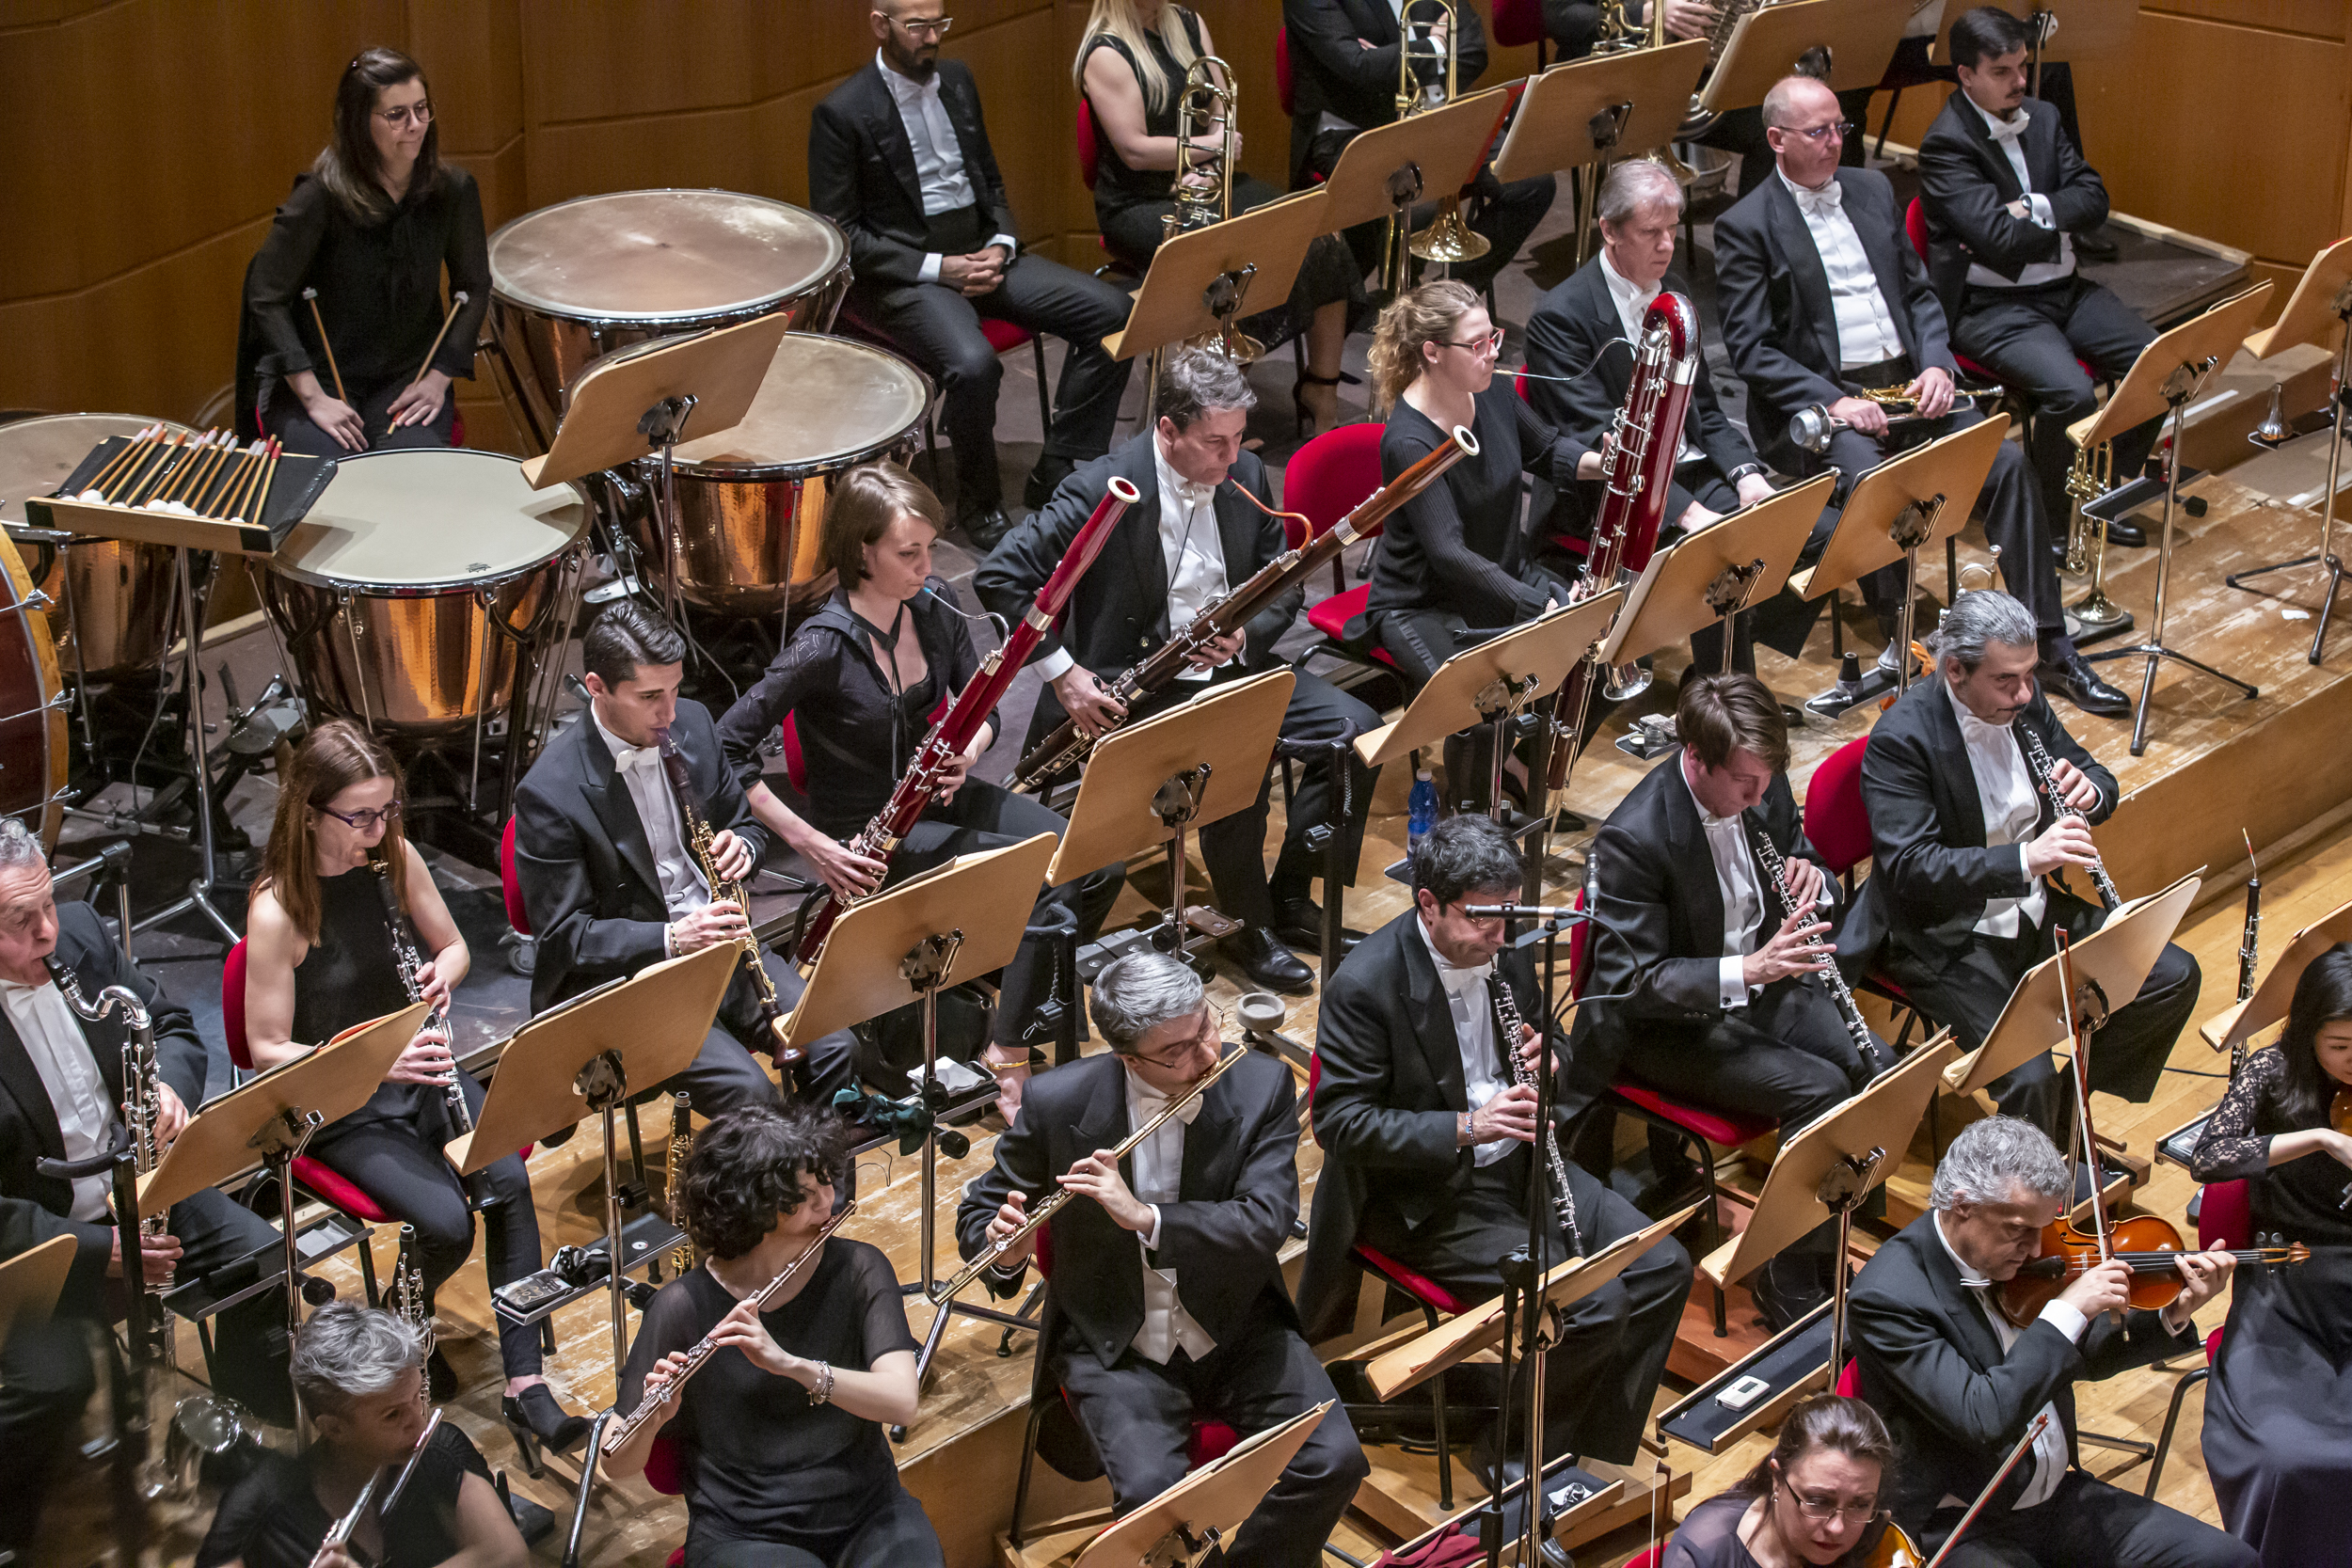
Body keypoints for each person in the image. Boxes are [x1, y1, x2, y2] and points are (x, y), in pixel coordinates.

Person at [715, 463, 1123, 1117]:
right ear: (860, 552)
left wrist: (973, 748)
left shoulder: (933, 609)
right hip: (867, 838)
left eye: (931, 548)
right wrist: (811, 843)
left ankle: (1003, 978)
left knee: (1079, 853)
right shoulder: (820, 647)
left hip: (937, 798)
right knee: (1038, 888)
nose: (926, 565)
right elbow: (722, 751)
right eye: (909, 552)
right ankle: (1007, 1053)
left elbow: (984, 708)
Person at [1713, 74, 2128, 718]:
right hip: (1830, 405)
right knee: (1880, 484)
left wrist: (1937, 366)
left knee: (2009, 467)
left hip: (1911, 386)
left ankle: (2051, 641)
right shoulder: (1746, 224)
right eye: (1818, 132)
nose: (1834, 142)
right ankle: (1908, 646)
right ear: (1776, 139)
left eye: (1839, 129)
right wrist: (1835, 401)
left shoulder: (1875, 189)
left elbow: (1921, 296)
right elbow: (1752, 349)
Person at [1303, 815, 1694, 1488]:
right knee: (1594, 1307)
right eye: (1482, 918)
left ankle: (1572, 1440)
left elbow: (1554, 1044)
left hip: (1520, 1164)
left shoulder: (1501, 947)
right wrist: (1466, 1126)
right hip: (1428, 1197)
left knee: (1663, 1266)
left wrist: (1553, 1060)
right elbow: (1338, 1122)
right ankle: (1510, 1450)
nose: (1501, 935)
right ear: (1427, 903)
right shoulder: (1365, 984)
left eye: (1506, 916)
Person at [977, 349, 1382, 996]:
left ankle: (1289, 898)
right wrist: (1063, 672)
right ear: (1167, 429)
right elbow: (999, 576)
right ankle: (1251, 929)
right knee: (1229, 765)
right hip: (1129, 686)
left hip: (1231, 671)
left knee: (1357, 730)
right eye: (1214, 443)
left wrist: (1245, 635)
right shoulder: (1099, 487)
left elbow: (1282, 587)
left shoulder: (1243, 471)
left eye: (1236, 439)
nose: (1231, 459)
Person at [243, 721, 591, 1461]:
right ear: (310, 812)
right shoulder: (280, 908)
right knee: (447, 1225)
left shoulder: (390, 857)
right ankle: (402, 1329)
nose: (378, 829)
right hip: (339, 1104)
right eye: (360, 815)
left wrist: (447, 972)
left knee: (505, 1176)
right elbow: (268, 1047)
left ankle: (525, 1384)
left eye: (387, 811)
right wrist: (368, 1061)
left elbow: (455, 945)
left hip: (419, 1071)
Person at [956, 951, 1367, 1567]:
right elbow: (979, 1214)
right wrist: (1004, 1247)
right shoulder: (1057, 1101)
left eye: (1206, 1024)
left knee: (1335, 1459)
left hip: (1236, 1324)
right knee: (1153, 1503)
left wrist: (1146, 1217)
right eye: (1177, 1049)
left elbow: (1266, 1220)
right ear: (1129, 1057)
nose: (1206, 1053)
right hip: (1119, 1345)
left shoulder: (1259, 1084)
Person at [0, 818, 291, 1551]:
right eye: (18, 920)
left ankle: (239, 1450)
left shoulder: (79, 936)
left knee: (261, 1258)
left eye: (47, 904)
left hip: (141, 1190)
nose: (45, 934)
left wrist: (167, 1087)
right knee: (53, 1383)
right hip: (41, 1238)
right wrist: (97, 1248)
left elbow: (168, 1021)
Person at [1568, 674, 1892, 1329]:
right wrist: (1747, 967)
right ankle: (1786, 1272)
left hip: (1762, 988)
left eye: (1767, 779)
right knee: (1821, 1090)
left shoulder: (1757, 788)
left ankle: (1836, 1234)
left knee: (1879, 1068)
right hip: (1666, 1029)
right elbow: (1629, 982)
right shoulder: (1634, 838)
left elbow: (1803, 858)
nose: (1760, 794)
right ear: (1696, 756)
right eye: (1745, 781)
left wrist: (1814, 881)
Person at [1858, 590, 2198, 1139]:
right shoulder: (1902, 740)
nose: (2023, 693)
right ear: (1955, 670)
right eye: (2005, 681)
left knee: (2171, 976)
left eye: (2030, 675)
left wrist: (2092, 791)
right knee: (2029, 1077)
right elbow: (1911, 867)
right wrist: (2025, 859)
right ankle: (2029, 1192)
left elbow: (2095, 774)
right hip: (1945, 936)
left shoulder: (2024, 702)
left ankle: (2061, 1135)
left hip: (2032, 915)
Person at [1848, 1116, 2252, 1568]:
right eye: (2018, 1229)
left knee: (2227, 1560)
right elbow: (1981, 1416)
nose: (2038, 1251)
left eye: (2042, 1227)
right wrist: (2068, 1310)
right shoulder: (1888, 1297)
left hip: (2054, 1496)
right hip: (1960, 1520)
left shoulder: (2021, 1260)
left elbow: (2077, 1355)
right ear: (1963, 1204)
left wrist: (2171, 1314)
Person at [809, 0, 1135, 548]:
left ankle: (1057, 463)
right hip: (912, 273)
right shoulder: (842, 112)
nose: (932, 36)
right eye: (917, 26)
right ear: (880, 25)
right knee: (973, 364)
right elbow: (843, 235)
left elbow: (990, 180)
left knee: (1114, 313)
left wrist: (1002, 243)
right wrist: (941, 269)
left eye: (939, 23)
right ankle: (979, 501)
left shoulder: (958, 79)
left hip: (985, 252)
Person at [511, 602, 858, 1115]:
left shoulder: (692, 724)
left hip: (725, 949)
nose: (669, 712)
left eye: (674, 690)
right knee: (751, 1094)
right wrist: (672, 938)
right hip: (636, 979)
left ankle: (823, 1193)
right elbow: (566, 938)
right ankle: (769, 1187)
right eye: (650, 696)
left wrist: (745, 847)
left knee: (835, 1047)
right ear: (596, 687)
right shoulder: (549, 793)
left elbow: (744, 823)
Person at [609, 1104, 939, 1568]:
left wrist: (792, 1366)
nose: (828, 1201)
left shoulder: (860, 1269)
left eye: (826, 1180)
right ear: (752, 1208)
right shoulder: (682, 1307)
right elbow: (615, 1461)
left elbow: (901, 1400)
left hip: (868, 1511)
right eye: (805, 1195)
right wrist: (653, 1419)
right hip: (745, 1532)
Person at [1524, 160, 1793, 673]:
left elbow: (1705, 409)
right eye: (1651, 233)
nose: (1668, 245)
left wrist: (1747, 475)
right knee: (1719, 559)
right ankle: (1724, 700)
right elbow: (1602, 442)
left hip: (1688, 471)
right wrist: (1690, 514)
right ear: (1608, 230)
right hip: (1614, 495)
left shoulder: (1673, 289)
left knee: (1801, 531)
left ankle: (1716, 681)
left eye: (1672, 230)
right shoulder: (1560, 318)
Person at [1919, 8, 2157, 547]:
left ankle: (2097, 489)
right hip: (1991, 308)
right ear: (1966, 75)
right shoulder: (1946, 144)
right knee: (2072, 394)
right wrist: (2057, 220)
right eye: (2002, 71)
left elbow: (2095, 199)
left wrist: (2030, 207)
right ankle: (2052, 520)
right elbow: (1996, 240)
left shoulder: (2044, 118)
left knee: (2159, 362)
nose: (2020, 81)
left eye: (2022, 67)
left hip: (2064, 290)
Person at [1078, 0, 1366, 436]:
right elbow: (1134, 149)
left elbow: (1218, 111)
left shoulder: (1188, 23)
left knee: (1316, 230)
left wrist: (1210, 164)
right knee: (1233, 254)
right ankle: (1220, 409)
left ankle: (1319, 391)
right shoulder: (1106, 51)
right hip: (1139, 202)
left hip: (1208, 179)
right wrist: (1207, 151)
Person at [2189, 942, 2352, 1566]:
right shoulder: (2270, 1071)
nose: (2351, 1061)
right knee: (2283, 1455)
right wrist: (2317, 1137)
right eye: (2339, 1046)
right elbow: (2209, 1155)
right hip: (2288, 1281)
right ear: (2309, 1030)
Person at [240, 47, 486, 457]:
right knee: (334, 480)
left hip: (407, 376)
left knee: (412, 476)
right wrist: (313, 397)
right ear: (359, 123)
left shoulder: (453, 191)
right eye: (397, 115)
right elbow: (265, 295)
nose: (415, 125)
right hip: (322, 374)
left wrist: (439, 376)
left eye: (422, 109)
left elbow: (474, 287)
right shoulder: (318, 198)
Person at [195, 1302, 528, 1568]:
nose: (418, 1421)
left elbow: (508, 1556)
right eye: (392, 1414)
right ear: (333, 1428)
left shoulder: (439, 1449)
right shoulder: (262, 1507)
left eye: (416, 1398)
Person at [1282, 0, 1556, 302]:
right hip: (1358, 130)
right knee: (1419, 208)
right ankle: (1397, 300)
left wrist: (1389, 62)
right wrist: (1437, 44)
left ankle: (1445, 300)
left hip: (1432, 113)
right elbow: (1357, 66)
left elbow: (1474, 51)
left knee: (1532, 184)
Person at [1661, 1394, 1911, 1568]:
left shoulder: (1871, 1530)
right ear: (1777, 1479)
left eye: (1859, 1505)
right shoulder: (1703, 1554)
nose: (1837, 1528)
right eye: (1818, 1501)